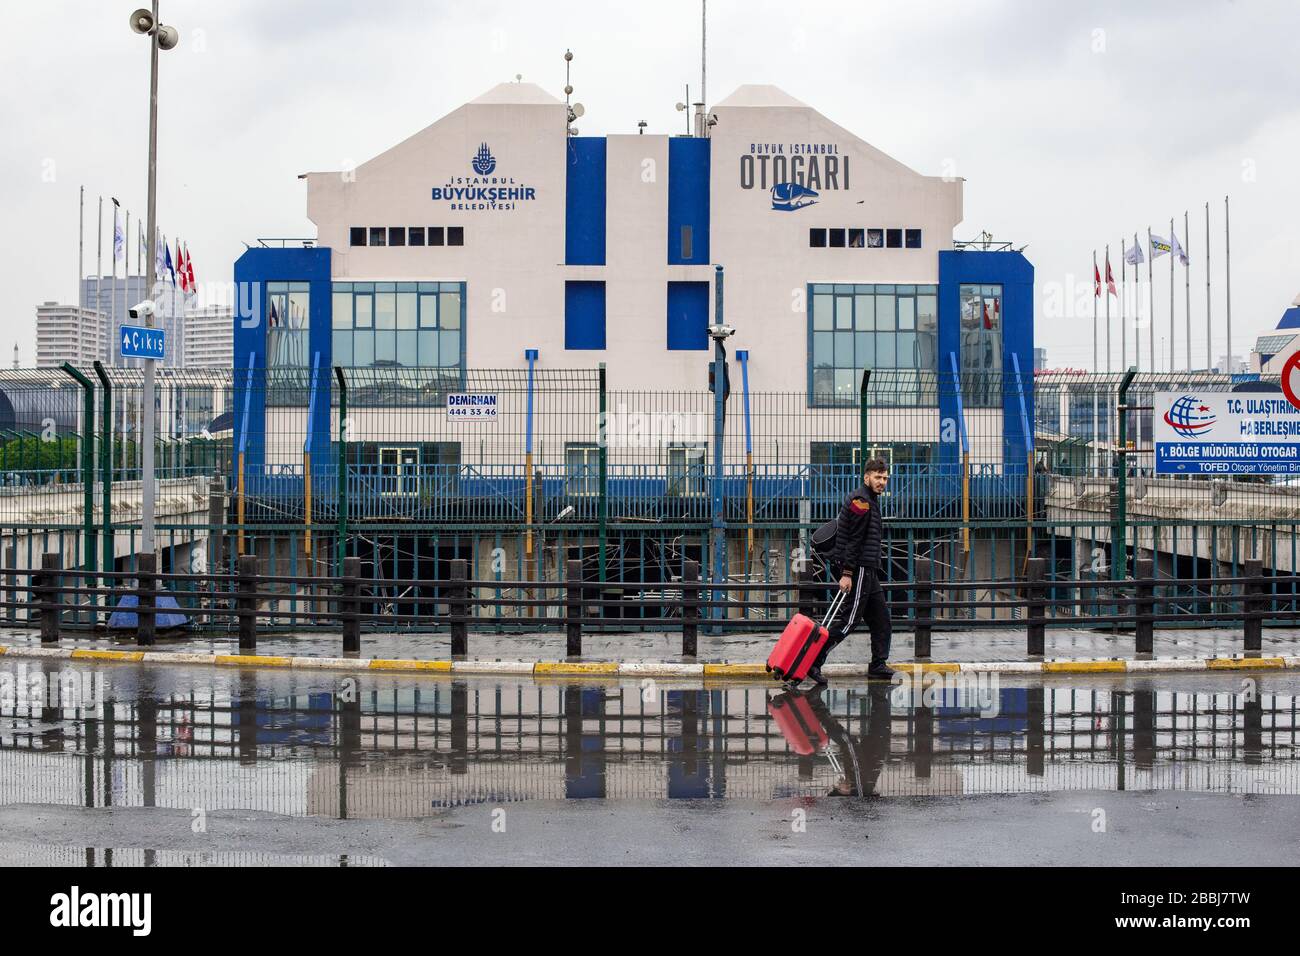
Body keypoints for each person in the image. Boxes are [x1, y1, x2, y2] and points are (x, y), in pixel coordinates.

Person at [806, 458, 895, 685]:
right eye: (877, 477)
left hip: (868, 569)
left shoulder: (869, 501)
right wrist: (847, 574)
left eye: (885, 478)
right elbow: (853, 541)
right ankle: (813, 662)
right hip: (859, 569)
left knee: (881, 619)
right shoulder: (861, 502)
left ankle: (878, 664)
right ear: (867, 477)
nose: (882, 482)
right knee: (849, 620)